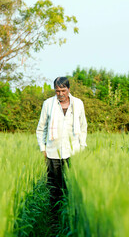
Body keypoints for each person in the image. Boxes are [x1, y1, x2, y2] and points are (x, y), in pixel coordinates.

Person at [36, 76, 87, 217]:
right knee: (54, 188)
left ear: (69, 89)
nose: (60, 94)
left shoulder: (78, 104)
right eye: (57, 91)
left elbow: (83, 127)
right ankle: (55, 219)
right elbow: (41, 129)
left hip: (73, 153)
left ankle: (70, 216)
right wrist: (43, 148)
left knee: (70, 186)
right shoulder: (48, 104)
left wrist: (82, 148)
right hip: (53, 153)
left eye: (63, 90)